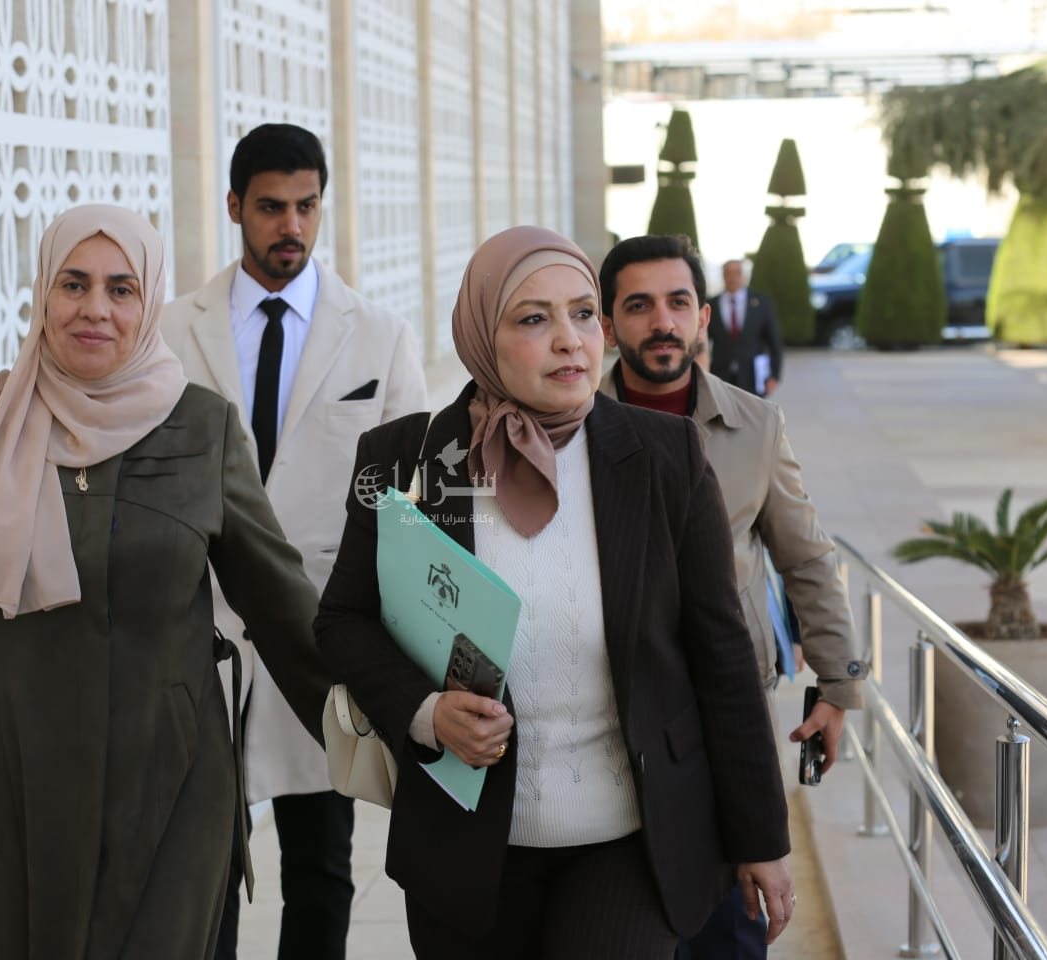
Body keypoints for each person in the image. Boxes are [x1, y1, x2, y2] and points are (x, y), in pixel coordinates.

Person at [0, 204, 332, 959]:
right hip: (10, 779)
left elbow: (281, 603)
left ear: (148, 303)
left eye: (121, 289)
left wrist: (396, 721)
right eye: (73, 284)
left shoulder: (202, 427)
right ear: (43, 293)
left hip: (169, 778)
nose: (95, 309)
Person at [315, 225, 794, 958]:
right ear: (483, 336)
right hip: (465, 846)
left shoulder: (665, 457)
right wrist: (425, 713)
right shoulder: (407, 459)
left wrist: (761, 835)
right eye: (534, 318)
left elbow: (721, 653)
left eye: (583, 313)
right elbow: (343, 621)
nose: (570, 340)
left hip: (629, 841)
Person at [161, 122, 427, 960]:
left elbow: (411, 509)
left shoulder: (379, 335)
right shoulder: (170, 333)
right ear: (234, 206)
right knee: (203, 865)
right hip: (199, 638)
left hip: (322, 637)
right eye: (272, 207)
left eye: (307, 206)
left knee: (320, 865)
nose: (292, 226)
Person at [598, 233, 865, 959]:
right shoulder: (570, 424)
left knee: (730, 923)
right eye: (639, 306)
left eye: (678, 302)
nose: (663, 322)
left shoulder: (756, 425)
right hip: (609, 711)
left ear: (704, 317)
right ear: (608, 324)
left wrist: (838, 686)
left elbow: (808, 559)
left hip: (728, 708)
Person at [707, 259, 783, 397]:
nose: (732, 277)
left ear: (743, 276)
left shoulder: (761, 303)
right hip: (720, 376)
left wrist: (775, 375)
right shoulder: (711, 305)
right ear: (723, 276)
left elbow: (774, 341)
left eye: (737, 273)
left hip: (752, 376)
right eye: (728, 273)